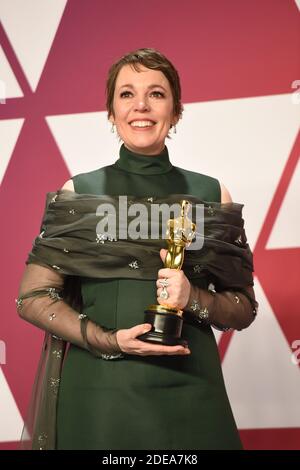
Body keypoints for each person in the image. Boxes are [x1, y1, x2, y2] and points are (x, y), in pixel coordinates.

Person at [17, 48, 258, 450]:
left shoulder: (211, 194)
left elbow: (243, 307)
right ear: (111, 112)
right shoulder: (80, 192)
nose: (141, 106)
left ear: (176, 112)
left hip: (191, 389)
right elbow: (32, 297)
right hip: (99, 394)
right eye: (126, 94)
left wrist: (193, 298)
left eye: (157, 94)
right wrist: (111, 341)